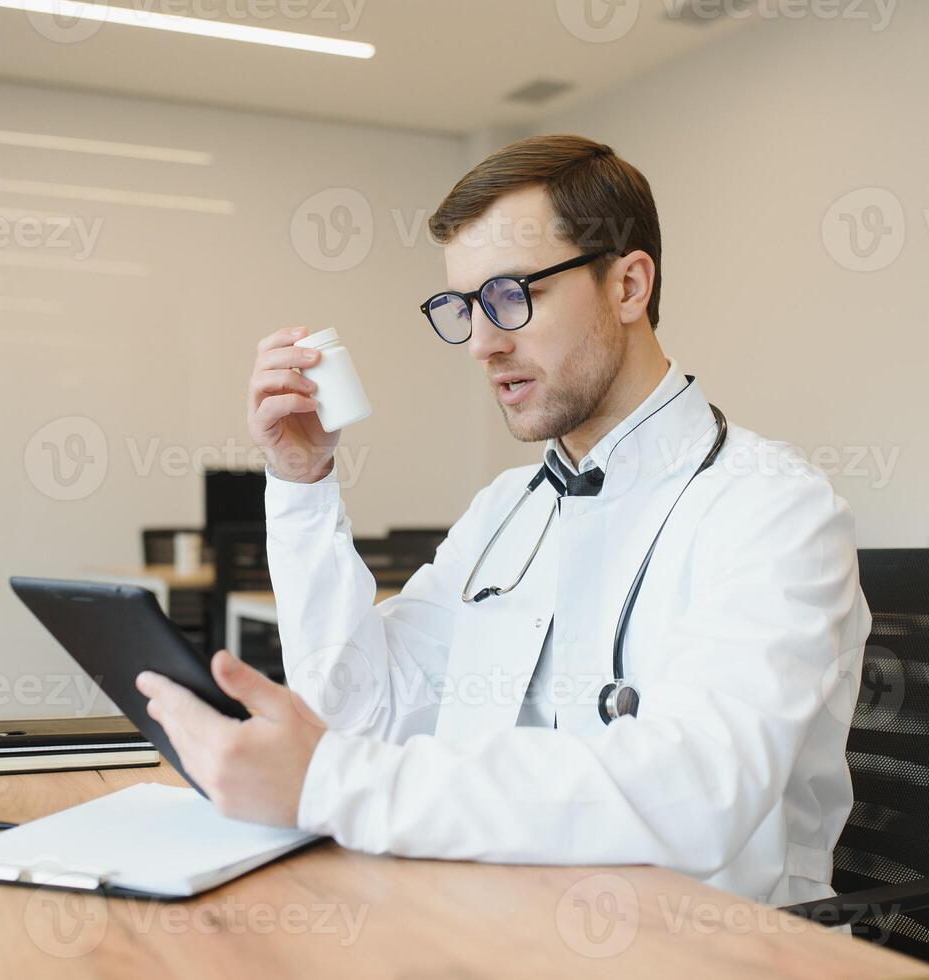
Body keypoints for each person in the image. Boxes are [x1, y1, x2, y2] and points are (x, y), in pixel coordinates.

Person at [137, 134, 869, 906]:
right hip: (494, 918)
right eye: (463, 307)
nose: (483, 343)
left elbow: (696, 794)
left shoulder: (772, 507)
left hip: (700, 947)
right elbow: (362, 708)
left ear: (628, 286)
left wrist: (334, 782)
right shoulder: (508, 509)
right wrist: (303, 483)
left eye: (513, 296)